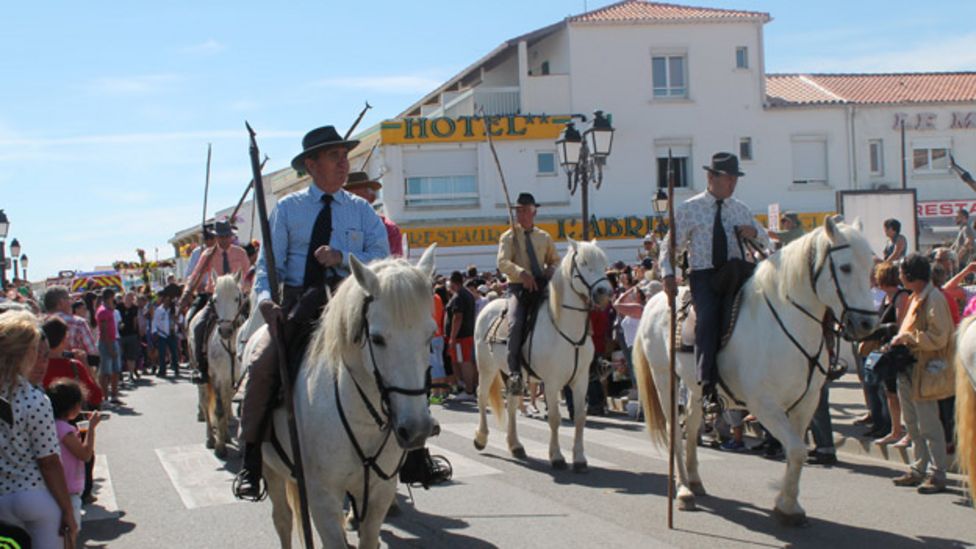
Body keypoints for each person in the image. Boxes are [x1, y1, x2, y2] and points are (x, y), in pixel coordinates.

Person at [235, 125, 389, 500]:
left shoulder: (362, 211)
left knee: (398, 356)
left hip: (351, 304)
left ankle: (414, 452)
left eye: (345, 156)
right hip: (299, 304)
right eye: (335, 156)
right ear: (311, 164)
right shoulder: (289, 210)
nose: (343, 163)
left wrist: (342, 257)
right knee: (263, 363)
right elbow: (267, 269)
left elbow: (383, 260)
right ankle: (251, 456)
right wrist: (265, 301)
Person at [661, 152, 769, 413]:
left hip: (738, 274)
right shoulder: (690, 209)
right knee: (707, 318)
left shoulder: (740, 209)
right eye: (728, 178)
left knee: (765, 312)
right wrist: (667, 273)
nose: (733, 184)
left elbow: (766, 240)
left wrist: (755, 232)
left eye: (735, 179)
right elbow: (670, 246)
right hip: (706, 276)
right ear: (711, 177)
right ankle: (707, 383)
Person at [0, 310, 78, 548]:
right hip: (34, 495)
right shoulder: (34, 399)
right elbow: (49, 462)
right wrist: (68, 510)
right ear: (25, 354)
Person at [889, 254, 954, 494]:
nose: (899, 276)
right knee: (912, 423)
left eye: (901, 272)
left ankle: (937, 474)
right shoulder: (917, 296)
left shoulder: (933, 298)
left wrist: (908, 338)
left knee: (929, 425)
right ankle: (919, 468)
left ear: (911, 275)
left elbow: (940, 336)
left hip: (924, 370)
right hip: (909, 369)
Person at [497, 192, 559, 395]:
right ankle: (514, 373)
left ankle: (583, 362)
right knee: (515, 324)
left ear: (534, 212)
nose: (521, 214)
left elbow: (555, 260)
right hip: (519, 289)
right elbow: (502, 262)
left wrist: (551, 269)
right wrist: (521, 273)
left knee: (568, 311)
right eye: (518, 211)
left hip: (542, 287)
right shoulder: (508, 237)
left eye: (524, 211)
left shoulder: (544, 237)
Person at [179, 220, 250, 385]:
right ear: (216, 237)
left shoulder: (240, 253)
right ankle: (201, 368)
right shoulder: (208, 255)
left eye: (227, 236)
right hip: (214, 299)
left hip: (236, 300)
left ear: (231, 236)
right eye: (221, 237)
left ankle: (253, 365)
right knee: (198, 326)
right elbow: (195, 275)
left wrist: (247, 291)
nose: (224, 240)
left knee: (256, 325)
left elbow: (248, 276)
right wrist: (187, 292)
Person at [46, 378, 100, 546]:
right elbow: (85, 455)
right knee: (70, 535)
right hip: (68, 491)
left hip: (55, 489)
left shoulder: (51, 425)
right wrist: (91, 428)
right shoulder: (64, 429)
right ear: (74, 406)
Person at [42, 317, 104, 409]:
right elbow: (96, 397)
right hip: (68, 416)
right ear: (63, 340)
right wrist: (86, 365)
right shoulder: (74, 366)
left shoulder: (34, 365)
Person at [344, 171, 404, 257]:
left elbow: (393, 262)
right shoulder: (335, 224)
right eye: (349, 199)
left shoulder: (389, 229)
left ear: (372, 198)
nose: (355, 203)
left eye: (360, 199)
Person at [42, 286, 97, 363]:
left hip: (44, 369)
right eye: (69, 298)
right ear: (61, 302)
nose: (72, 302)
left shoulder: (37, 323)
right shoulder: (78, 323)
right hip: (73, 368)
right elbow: (93, 354)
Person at [446, 271, 477, 401]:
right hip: (465, 335)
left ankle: (469, 391)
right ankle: (469, 388)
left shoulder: (459, 296)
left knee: (464, 362)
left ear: (453, 283)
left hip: (461, 337)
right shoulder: (467, 294)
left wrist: (452, 338)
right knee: (464, 362)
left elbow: (457, 317)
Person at [94, 289, 122, 405]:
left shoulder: (109, 310)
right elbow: (104, 331)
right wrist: (110, 347)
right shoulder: (103, 311)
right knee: (105, 372)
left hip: (113, 340)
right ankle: (105, 397)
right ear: (110, 297)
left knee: (116, 370)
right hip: (106, 343)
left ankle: (114, 396)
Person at [152, 287, 180, 377]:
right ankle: (162, 370)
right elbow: (154, 322)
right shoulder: (158, 310)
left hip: (171, 334)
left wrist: (175, 320)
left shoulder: (174, 309)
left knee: (174, 352)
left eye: (169, 300)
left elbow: (178, 321)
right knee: (162, 353)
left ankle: (176, 368)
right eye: (166, 300)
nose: (167, 302)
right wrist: (154, 331)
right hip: (162, 334)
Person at [117, 292, 141, 382]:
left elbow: (135, 320)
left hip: (131, 335)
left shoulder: (135, 308)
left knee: (131, 356)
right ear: (124, 298)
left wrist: (137, 332)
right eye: (127, 298)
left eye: (131, 298)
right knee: (119, 356)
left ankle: (131, 374)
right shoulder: (119, 307)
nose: (129, 300)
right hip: (120, 335)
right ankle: (120, 375)